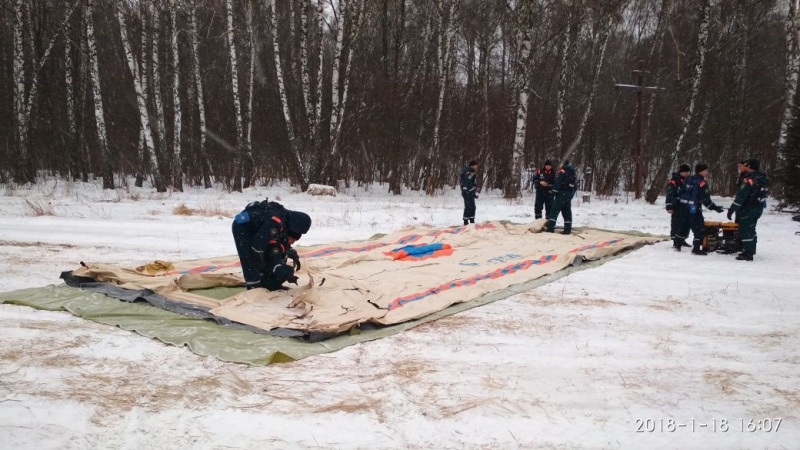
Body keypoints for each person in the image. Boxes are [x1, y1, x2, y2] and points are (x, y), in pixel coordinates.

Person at [232, 199, 311, 290]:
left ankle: (268, 281)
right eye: (292, 239)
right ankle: (254, 286)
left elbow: (281, 241)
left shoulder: (286, 220)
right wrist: (266, 267)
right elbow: (257, 248)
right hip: (242, 227)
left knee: (270, 251)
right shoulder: (275, 222)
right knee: (249, 256)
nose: (293, 242)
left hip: (258, 228)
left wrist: (289, 252)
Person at [674, 163, 725, 255]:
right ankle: (696, 248)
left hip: (683, 207)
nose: (707, 172)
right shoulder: (702, 183)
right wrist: (714, 207)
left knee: (683, 225)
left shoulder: (688, 179)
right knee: (699, 228)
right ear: (701, 171)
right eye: (706, 170)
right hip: (693, 208)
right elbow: (705, 198)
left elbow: (680, 192)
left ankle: (677, 244)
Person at [727, 159, 770, 261]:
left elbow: (741, 196)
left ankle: (748, 253)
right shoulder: (763, 177)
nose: (743, 167)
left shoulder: (749, 179)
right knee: (751, 228)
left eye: (745, 165)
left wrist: (732, 209)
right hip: (758, 207)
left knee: (746, 230)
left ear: (749, 166)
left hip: (748, 208)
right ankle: (751, 249)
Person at [546, 161, 577, 235]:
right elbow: (575, 185)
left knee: (554, 211)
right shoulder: (572, 172)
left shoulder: (562, 171)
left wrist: (553, 192)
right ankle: (567, 230)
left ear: (563, 164)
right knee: (567, 212)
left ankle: (550, 229)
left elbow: (558, 182)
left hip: (561, 194)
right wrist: (571, 194)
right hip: (569, 194)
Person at [666, 164, 691, 245]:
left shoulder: (688, 181)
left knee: (686, 223)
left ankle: (682, 239)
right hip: (677, 205)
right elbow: (670, 194)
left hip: (686, 206)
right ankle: (675, 240)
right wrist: (669, 206)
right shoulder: (674, 181)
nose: (687, 174)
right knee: (676, 223)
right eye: (685, 172)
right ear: (681, 172)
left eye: (688, 172)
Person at [460, 160, 479, 226]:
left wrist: (474, 193)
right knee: (468, 206)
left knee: (473, 207)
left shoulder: (472, 172)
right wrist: (465, 189)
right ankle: (465, 221)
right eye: (476, 165)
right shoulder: (468, 172)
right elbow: (465, 181)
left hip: (471, 192)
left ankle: (472, 219)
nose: (477, 166)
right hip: (467, 192)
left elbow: (472, 183)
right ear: (472, 165)